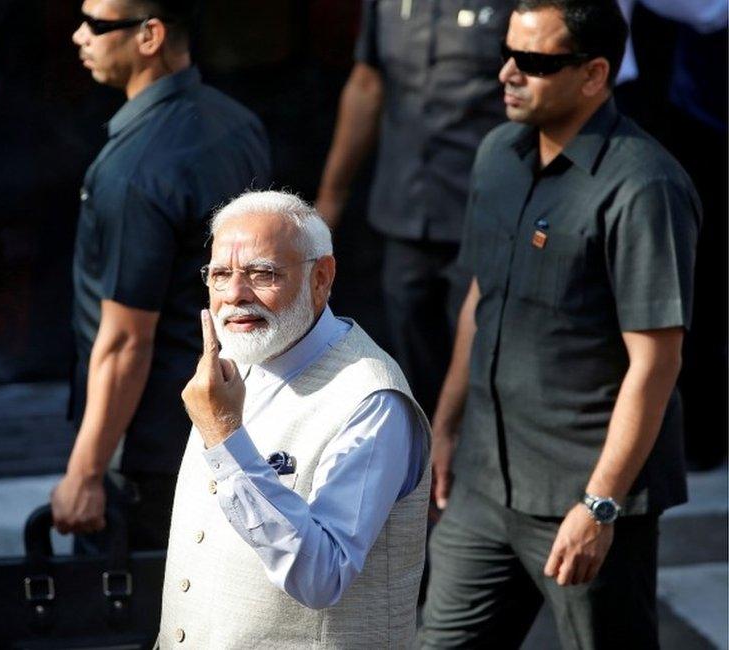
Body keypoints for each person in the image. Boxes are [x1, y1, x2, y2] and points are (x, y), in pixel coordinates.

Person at [421, 1, 700, 648]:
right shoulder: (496, 154)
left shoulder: (644, 188)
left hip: (586, 497)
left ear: (595, 74)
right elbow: (480, 298)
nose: (507, 74)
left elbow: (655, 364)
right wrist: (446, 424)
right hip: (484, 484)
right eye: (507, 53)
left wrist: (600, 504)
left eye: (535, 62)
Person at [158, 191, 431, 647]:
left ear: (321, 278)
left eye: (262, 274)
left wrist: (225, 436)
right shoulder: (233, 358)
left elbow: (322, 576)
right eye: (220, 275)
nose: (235, 296)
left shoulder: (371, 399)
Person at [50, 0, 271, 548]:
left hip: (148, 450)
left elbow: (126, 341)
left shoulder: (136, 169)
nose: (80, 35)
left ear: (150, 35)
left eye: (96, 25)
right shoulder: (239, 123)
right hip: (231, 418)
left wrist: (86, 472)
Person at [315, 0, 515, 413]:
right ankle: (424, 467)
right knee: (411, 366)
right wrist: (331, 198)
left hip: (488, 214)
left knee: (484, 366)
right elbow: (368, 84)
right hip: (405, 210)